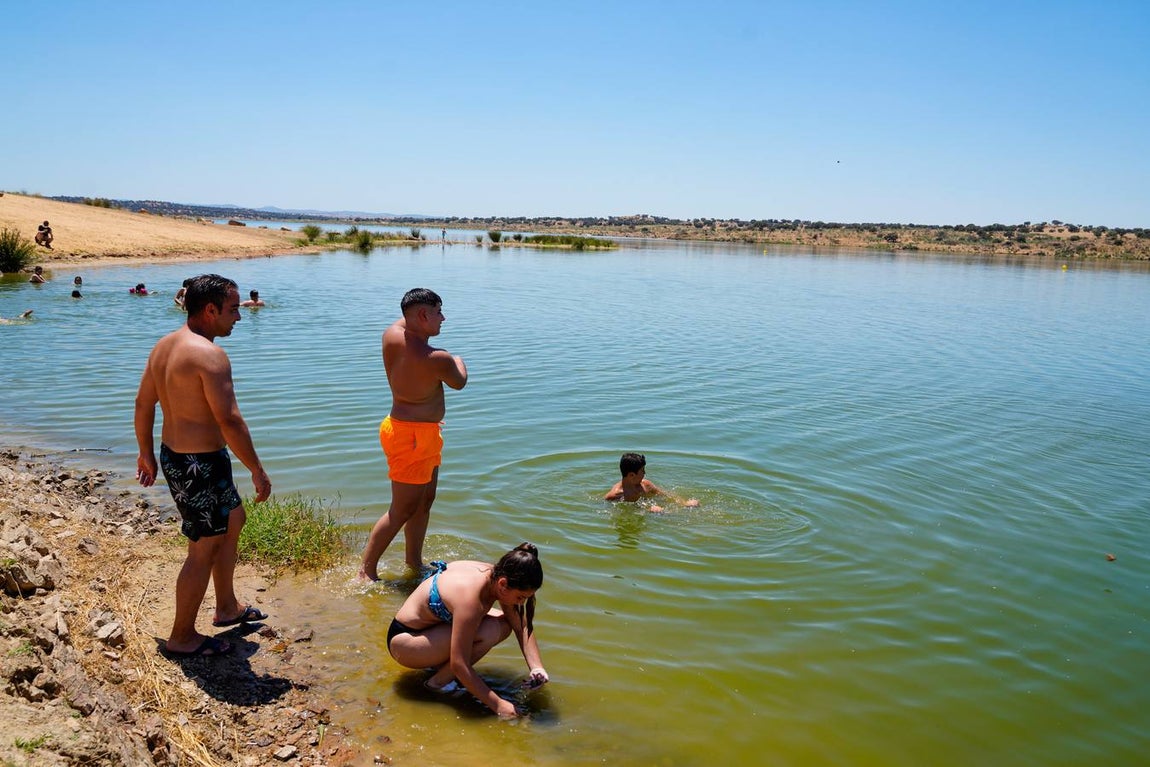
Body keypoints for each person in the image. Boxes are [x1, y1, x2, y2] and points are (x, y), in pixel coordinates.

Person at [134, 274, 272, 658]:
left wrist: (145, 452)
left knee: (234, 518)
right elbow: (230, 420)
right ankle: (181, 636)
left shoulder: (165, 346)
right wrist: (257, 470)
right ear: (210, 310)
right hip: (198, 465)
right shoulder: (210, 355)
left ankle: (226, 607)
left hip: (180, 456)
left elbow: (143, 403)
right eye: (232, 310)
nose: (238, 319)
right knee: (203, 547)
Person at [359, 288, 468, 581]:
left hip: (416, 432)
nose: (443, 318)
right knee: (403, 508)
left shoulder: (392, 334)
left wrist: (418, 310)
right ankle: (366, 572)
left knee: (424, 501)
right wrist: (459, 359)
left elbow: (407, 314)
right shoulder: (439, 358)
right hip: (411, 438)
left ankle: (414, 562)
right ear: (422, 315)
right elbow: (459, 382)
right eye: (438, 312)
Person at [387, 542, 549, 718]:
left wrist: (537, 668)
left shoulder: (497, 576)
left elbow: (521, 625)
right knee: (491, 630)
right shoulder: (471, 598)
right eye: (520, 597)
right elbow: (460, 663)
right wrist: (498, 705)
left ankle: (442, 671)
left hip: (429, 631)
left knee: (504, 623)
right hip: (405, 643)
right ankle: (436, 683)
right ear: (503, 584)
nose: (521, 603)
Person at [604, 452, 698, 512]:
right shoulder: (615, 496)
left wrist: (684, 503)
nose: (645, 473)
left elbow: (665, 495)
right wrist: (648, 509)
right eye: (642, 470)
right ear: (631, 475)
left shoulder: (646, 485)